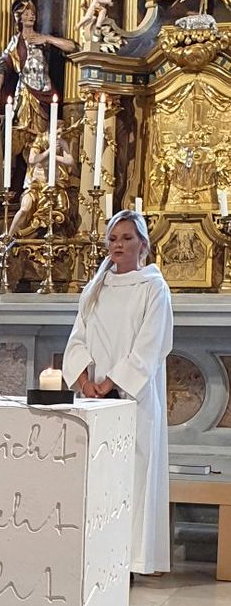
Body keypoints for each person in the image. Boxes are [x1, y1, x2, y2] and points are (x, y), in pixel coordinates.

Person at [63, 211, 173, 575]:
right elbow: (78, 338)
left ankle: (128, 559)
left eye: (126, 238)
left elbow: (149, 347)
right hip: (93, 398)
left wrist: (110, 383)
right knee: (97, 477)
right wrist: (85, 383)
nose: (118, 246)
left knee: (132, 476)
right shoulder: (96, 287)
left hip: (132, 397)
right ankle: (96, 554)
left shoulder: (153, 287)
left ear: (143, 244)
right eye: (112, 239)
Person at [0, 0, 76, 141]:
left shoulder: (43, 39)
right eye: (26, 13)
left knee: (43, 136)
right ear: (19, 18)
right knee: (22, 134)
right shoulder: (16, 43)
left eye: (33, 13)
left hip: (45, 93)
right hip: (25, 93)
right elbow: (1, 68)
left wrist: (47, 39)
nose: (31, 16)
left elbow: (72, 47)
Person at [9, 123, 75, 237]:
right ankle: (9, 236)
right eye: (57, 133)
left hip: (53, 186)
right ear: (50, 132)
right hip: (35, 186)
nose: (59, 137)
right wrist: (49, 151)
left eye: (61, 133)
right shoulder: (40, 141)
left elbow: (70, 161)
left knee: (62, 210)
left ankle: (51, 236)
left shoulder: (62, 143)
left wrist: (55, 156)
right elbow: (32, 159)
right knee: (25, 208)